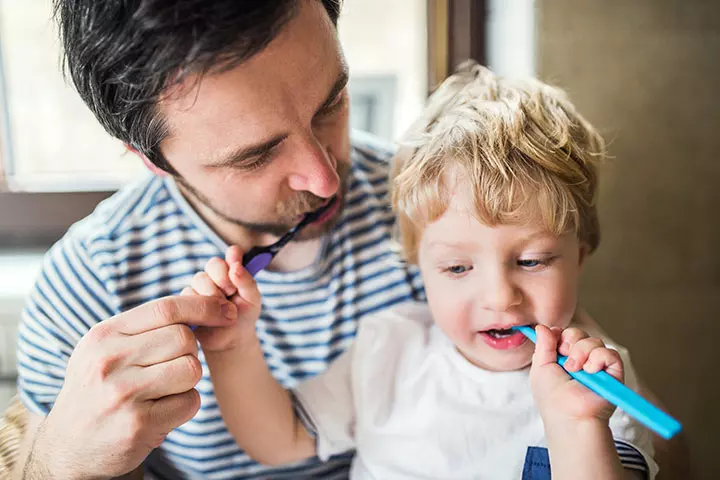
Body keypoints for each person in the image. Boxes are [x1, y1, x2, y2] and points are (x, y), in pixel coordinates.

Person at [12, 1, 424, 479]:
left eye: (330, 105)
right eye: (255, 157)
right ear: (151, 158)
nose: (324, 179)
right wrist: (66, 457)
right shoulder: (92, 284)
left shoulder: (438, 206)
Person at [185, 63, 658, 479]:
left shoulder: (596, 382)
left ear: (580, 255)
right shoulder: (389, 349)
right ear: (419, 265)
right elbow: (278, 441)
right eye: (457, 267)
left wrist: (577, 428)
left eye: (531, 261)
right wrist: (232, 348)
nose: (499, 297)